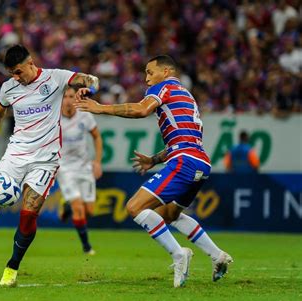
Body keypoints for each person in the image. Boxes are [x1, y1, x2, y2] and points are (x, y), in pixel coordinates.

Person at [74, 55, 232, 288]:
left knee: (134, 207)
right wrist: (155, 159)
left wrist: (100, 108)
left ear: (166, 71)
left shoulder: (164, 87)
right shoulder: (186, 95)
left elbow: (140, 110)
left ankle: (179, 254)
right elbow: (184, 139)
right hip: (200, 161)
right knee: (169, 215)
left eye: (150, 72)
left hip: (184, 161)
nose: (147, 79)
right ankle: (218, 256)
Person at [0, 44, 100, 287]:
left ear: (30, 63)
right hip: (15, 154)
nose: (15, 76)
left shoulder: (56, 78)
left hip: (46, 160)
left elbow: (89, 79)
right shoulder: (9, 88)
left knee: (29, 212)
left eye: (17, 71)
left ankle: (11, 267)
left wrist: (89, 87)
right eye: (11, 73)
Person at [57, 86, 103, 255]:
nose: (68, 100)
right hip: (65, 169)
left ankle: (66, 205)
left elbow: (97, 136)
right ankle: (86, 247)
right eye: (65, 97)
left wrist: (97, 162)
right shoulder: (54, 118)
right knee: (79, 209)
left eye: (71, 96)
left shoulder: (85, 115)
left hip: (85, 168)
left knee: (89, 210)